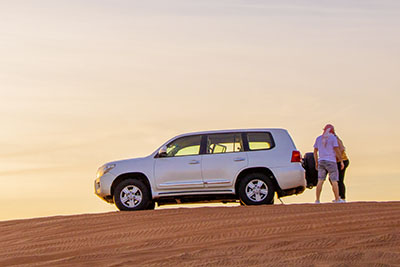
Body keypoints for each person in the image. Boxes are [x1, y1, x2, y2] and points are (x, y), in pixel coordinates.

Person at [313, 124, 344, 203]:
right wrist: (341, 161)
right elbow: (336, 149)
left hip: (321, 161)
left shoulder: (318, 138)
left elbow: (315, 151)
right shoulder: (333, 138)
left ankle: (317, 199)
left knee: (320, 180)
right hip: (331, 161)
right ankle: (337, 199)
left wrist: (316, 162)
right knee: (334, 180)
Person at [334, 132, 350, 201]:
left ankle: (342, 197)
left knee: (339, 180)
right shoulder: (334, 138)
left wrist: (339, 159)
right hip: (339, 161)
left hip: (342, 161)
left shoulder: (335, 139)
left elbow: (341, 149)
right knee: (335, 180)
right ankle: (339, 196)